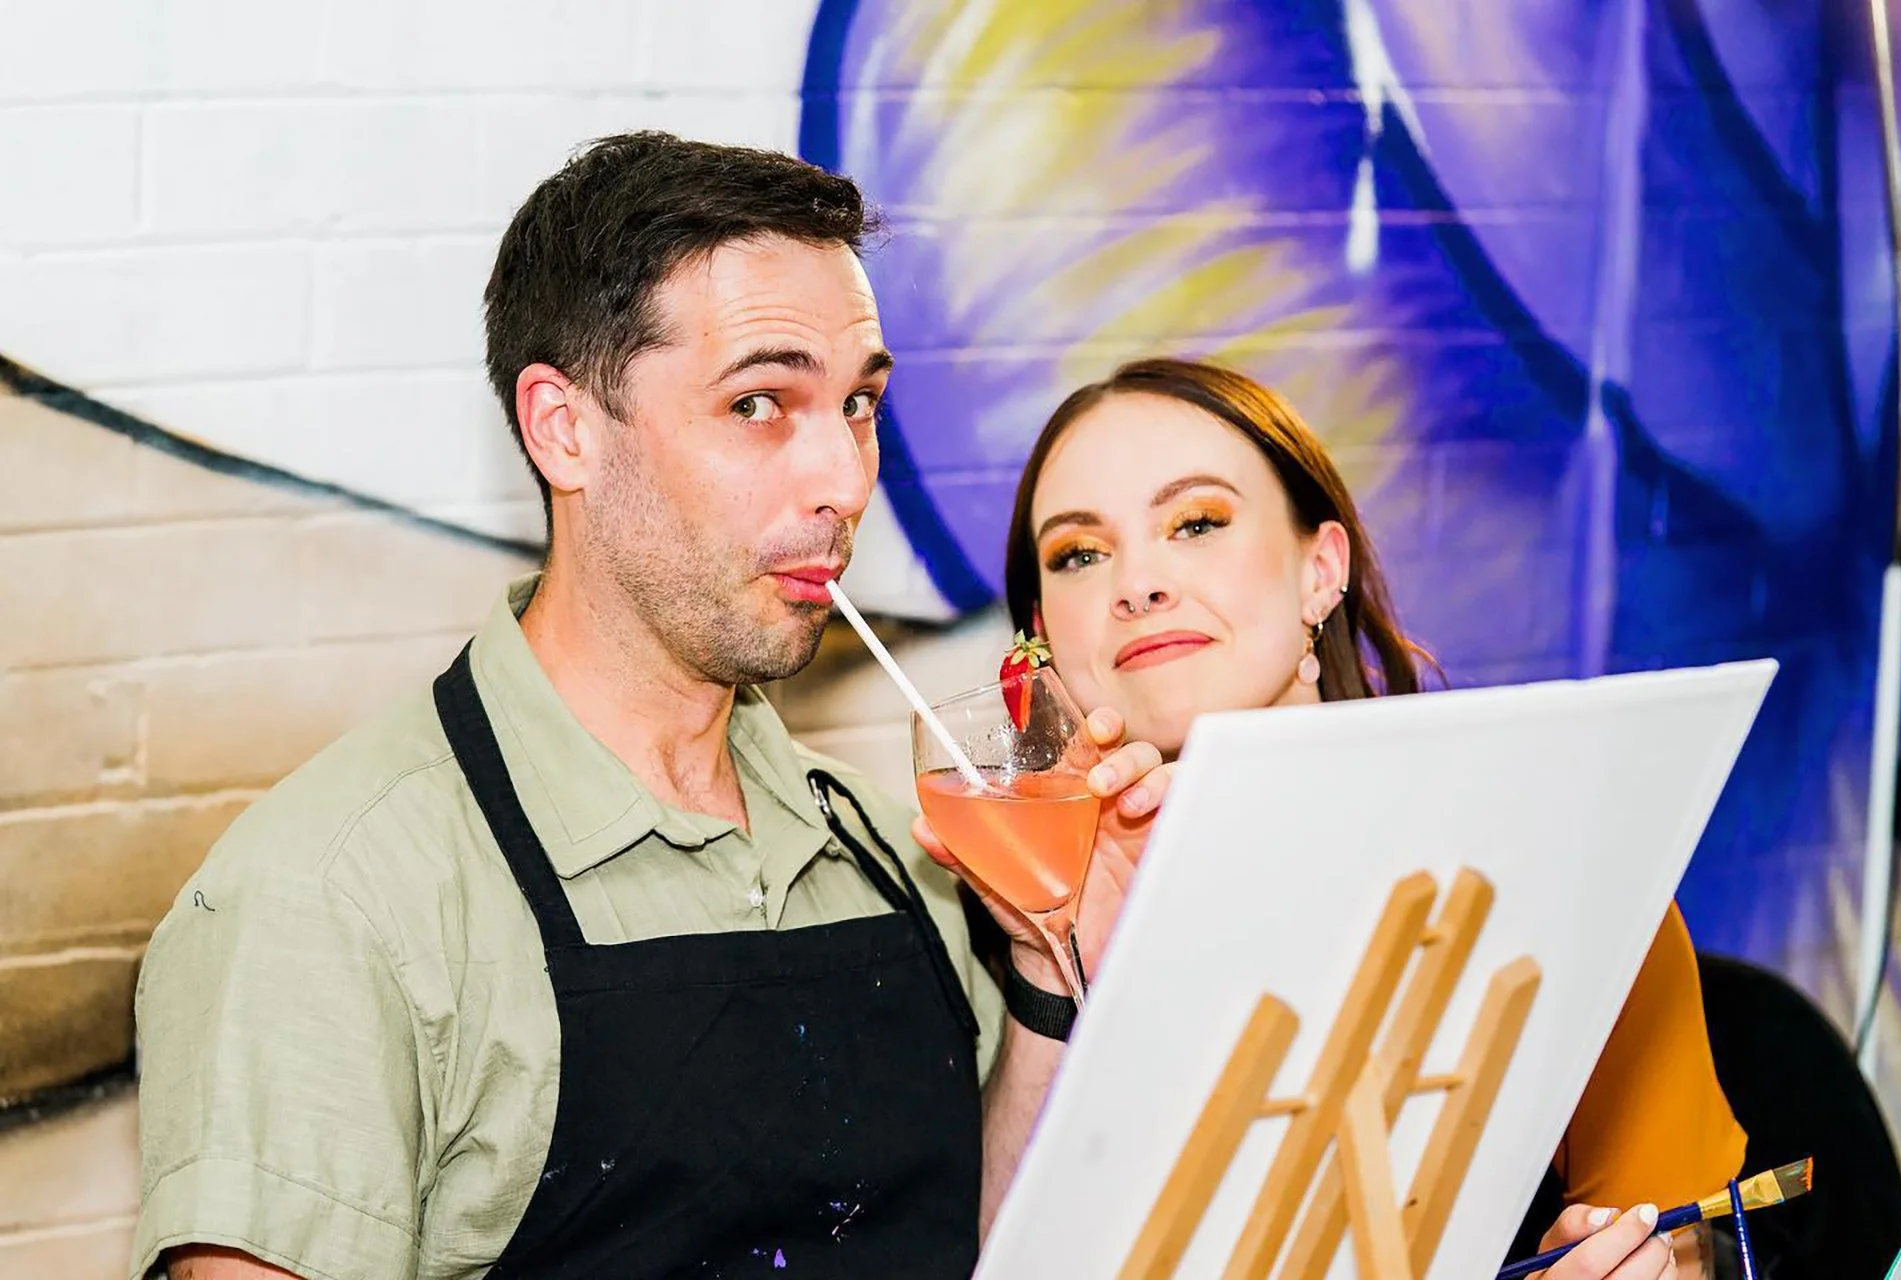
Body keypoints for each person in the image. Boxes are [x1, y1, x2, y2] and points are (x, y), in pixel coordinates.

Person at [126, 132, 1176, 1280]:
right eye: (760, 402)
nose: (844, 477)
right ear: (564, 428)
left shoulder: (883, 847)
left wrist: (1044, 966)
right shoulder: (325, 900)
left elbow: (980, 1248)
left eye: (860, 403)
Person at [977, 355, 1748, 1279]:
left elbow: (1686, 1245)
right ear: (1040, 633)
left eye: (1196, 523)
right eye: (1079, 554)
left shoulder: (1561, 872)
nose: (1136, 584)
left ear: (1320, 569)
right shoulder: (993, 930)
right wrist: (1049, 971)